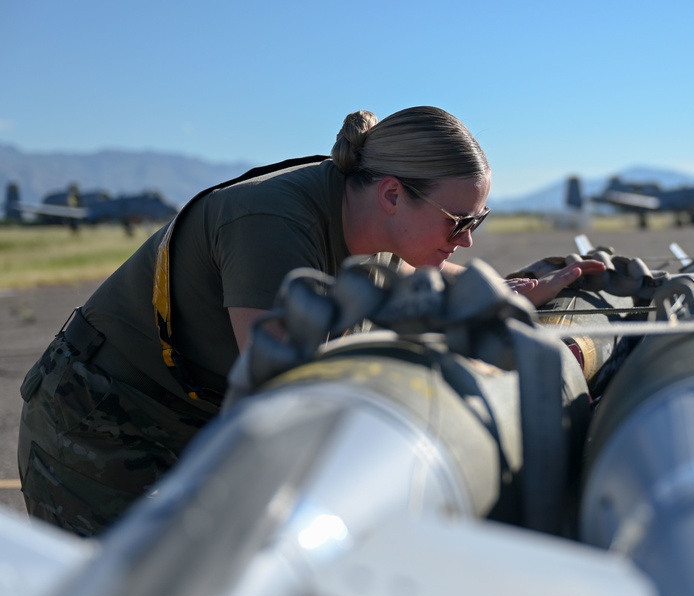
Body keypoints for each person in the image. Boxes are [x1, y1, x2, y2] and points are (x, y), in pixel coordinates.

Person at [16, 106, 604, 537]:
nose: (468, 240)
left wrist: (515, 294)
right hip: (98, 424)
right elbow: (284, 397)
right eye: (457, 221)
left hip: (193, 420)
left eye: (479, 219)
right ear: (393, 194)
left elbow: (430, 282)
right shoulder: (272, 223)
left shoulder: (372, 220)